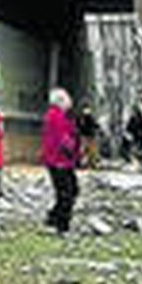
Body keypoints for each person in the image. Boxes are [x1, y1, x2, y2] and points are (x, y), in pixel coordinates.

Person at [42, 88, 80, 236]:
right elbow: (63, 138)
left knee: (71, 190)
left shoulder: (57, 115)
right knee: (67, 193)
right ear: (61, 101)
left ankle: (53, 218)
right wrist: (72, 149)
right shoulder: (56, 116)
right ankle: (61, 225)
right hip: (60, 161)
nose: (70, 102)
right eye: (67, 99)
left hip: (61, 160)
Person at [76, 102, 101, 169]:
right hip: (83, 136)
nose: (86, 111)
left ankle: (93, 163)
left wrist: (97, 127)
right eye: (85, 109)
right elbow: (77, 125)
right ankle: (83, 163)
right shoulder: (81, 118)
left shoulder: (90, 117)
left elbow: (94, 124)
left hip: (90, 136)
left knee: (92, 150)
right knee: (83, 150)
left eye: (87, 109)